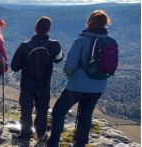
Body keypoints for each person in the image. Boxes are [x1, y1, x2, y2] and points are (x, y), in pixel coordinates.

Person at [48, 10, 117, 147]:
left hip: (76, 86)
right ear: (105, 23)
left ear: (90, 22)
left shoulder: (80, 41)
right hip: (99, 86)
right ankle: (80, 143)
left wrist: (68, 74)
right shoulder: (111, 42)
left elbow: (70, 66)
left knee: (58, 111)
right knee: (85, 115)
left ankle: (53, 142)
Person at [10, 16, 63, 145]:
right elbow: (59, 59)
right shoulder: (55, 44)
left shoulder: (24, 46)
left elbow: (14, 67)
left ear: (35, 28)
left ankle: (25, 136)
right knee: (42, 110)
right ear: (48, 29)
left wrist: (24, 62)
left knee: (26, 110)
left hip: (27, 85)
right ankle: (41, 135)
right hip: (44, 85)